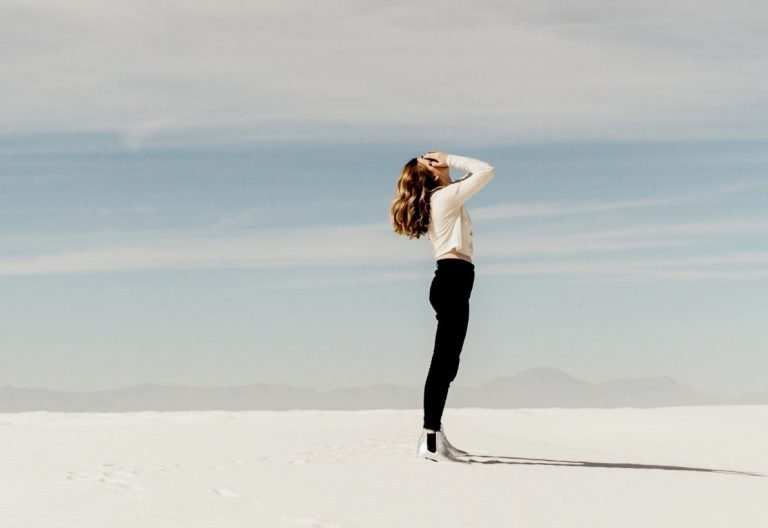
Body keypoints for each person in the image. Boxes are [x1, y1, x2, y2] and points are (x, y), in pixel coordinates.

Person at [389, 150, 495, 461]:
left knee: (448, 364)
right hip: (452, 280)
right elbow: (485, 170)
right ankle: (431, 441)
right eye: (430, 160)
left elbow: (471, 178)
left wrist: (446, 168)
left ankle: (435, 435)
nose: (437, 159)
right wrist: (451, 156)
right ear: (431, 173)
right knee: (442, 363)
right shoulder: (444, 197)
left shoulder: (445, 196)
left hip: (454, 280)